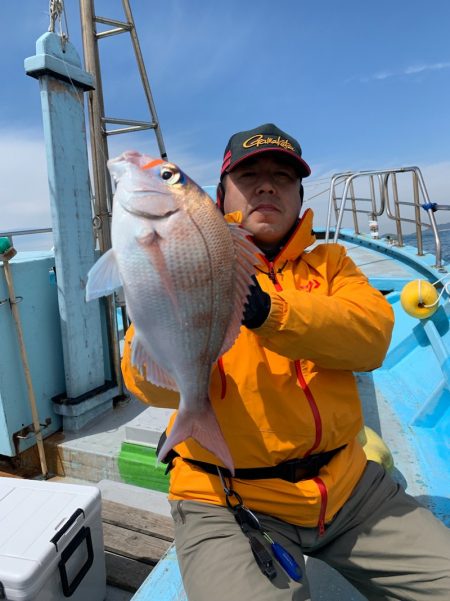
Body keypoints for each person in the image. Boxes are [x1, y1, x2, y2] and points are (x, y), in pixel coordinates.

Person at [121, 123, 450, 600]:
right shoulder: (181, 259)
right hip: (227, 498)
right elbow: (145, 384)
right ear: (219, 195)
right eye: (249, 174)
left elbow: (372, 339)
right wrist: (179, 296)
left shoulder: (333, 264)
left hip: (349, 487)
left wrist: (268, 311)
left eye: (283, 175)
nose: (267, 184)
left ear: (299, 194)